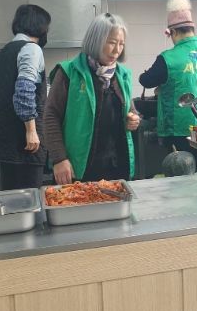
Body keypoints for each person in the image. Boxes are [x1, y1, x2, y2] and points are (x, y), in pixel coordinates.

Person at [45, 13, 139, 184]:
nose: (117, 50)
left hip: (116, 166)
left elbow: (130, 110)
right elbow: (51, 116)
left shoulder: (122, 75)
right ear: (96, 40)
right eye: (112, 42)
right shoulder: (69, 72)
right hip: (79, 168)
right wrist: (59, 158)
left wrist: (133, 119)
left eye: (121, 44)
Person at [138, 0, 197, 160]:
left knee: (183, 172)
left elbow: (146, 80)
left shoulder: (167, 58)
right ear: (192, 28)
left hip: (180, 131)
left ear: (172, 32)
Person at [0, 4, 51, 190]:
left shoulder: (6, 50)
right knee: (30, 198)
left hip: (5, 141)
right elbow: (24, 90)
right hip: (24, 143)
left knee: (12, 197)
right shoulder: (31, 49)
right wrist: (31, 130)